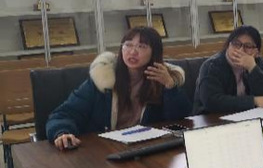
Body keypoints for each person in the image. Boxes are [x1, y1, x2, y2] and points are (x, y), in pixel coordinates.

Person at [46, 27, 192, 150]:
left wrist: (170, 86)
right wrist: (62, 133)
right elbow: (63, 114)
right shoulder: (103, 79)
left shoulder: (162, 78)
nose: (132, 52)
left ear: (155, 52)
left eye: (141, 46)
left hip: (145, 149)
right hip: (103, 151)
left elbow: (181, 120)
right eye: (128, 45)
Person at [194, 25, 263, 114]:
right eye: (236, 44)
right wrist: (253, 101)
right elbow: (211, 101)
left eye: (248, 46)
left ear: (257, 52)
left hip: (249, 117)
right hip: (211, 118)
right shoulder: (211, 66)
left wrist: (252, 68)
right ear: (228, 45)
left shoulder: (259, 63)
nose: (240, 50)